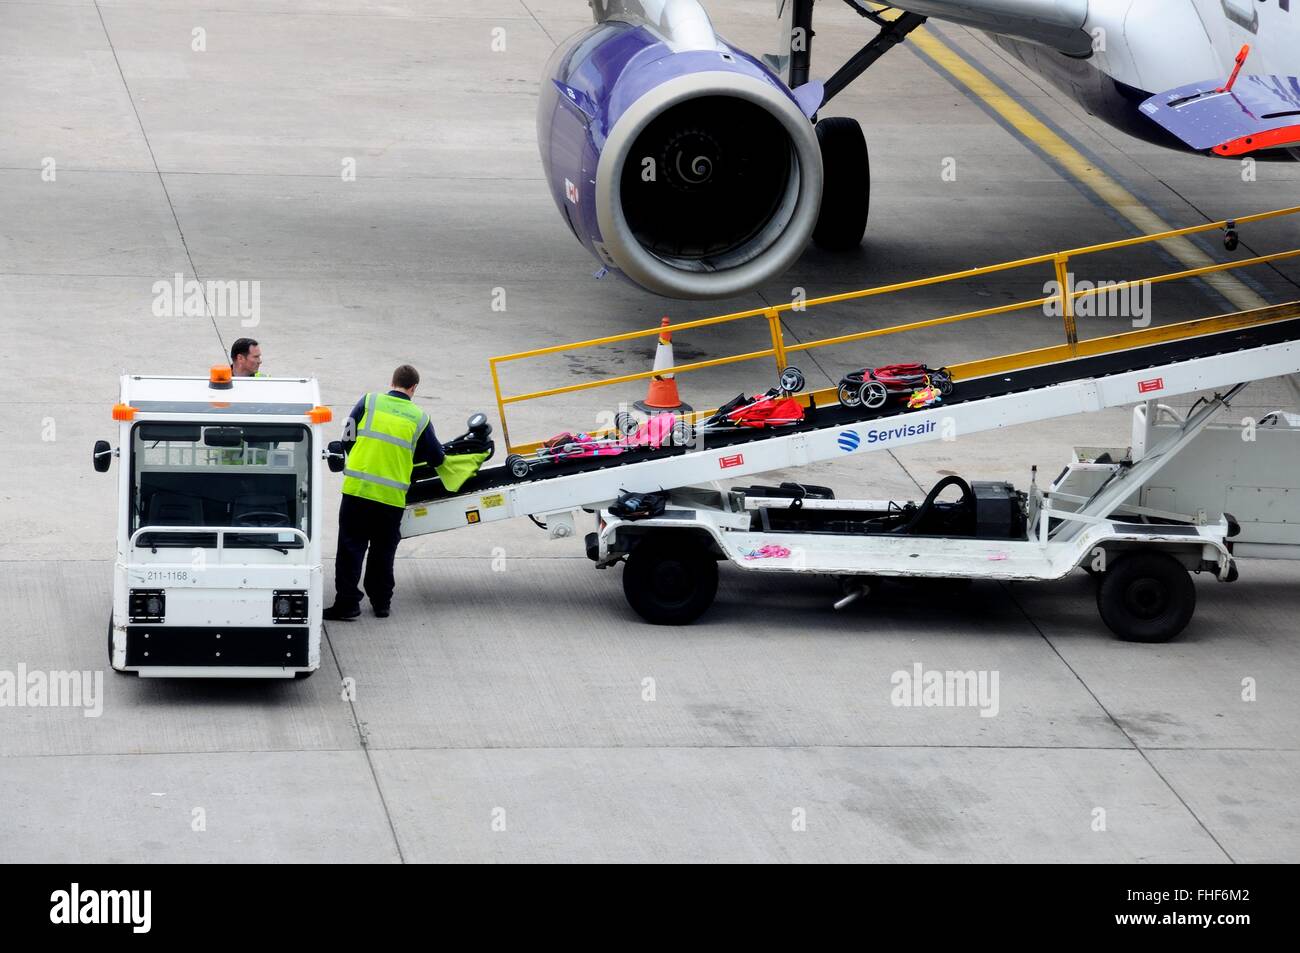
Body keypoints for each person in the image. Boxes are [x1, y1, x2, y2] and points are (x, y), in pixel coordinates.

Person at [324, 365, 444, 620]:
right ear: (414, 389)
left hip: (358, 490)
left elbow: (346, 436)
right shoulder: (420, 418)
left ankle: (347, 604)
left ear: (392, 382)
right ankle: (381, 603)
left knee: (351, 548)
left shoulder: (369, 401)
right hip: (390, 499)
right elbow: (436, 457)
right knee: (383, 551)